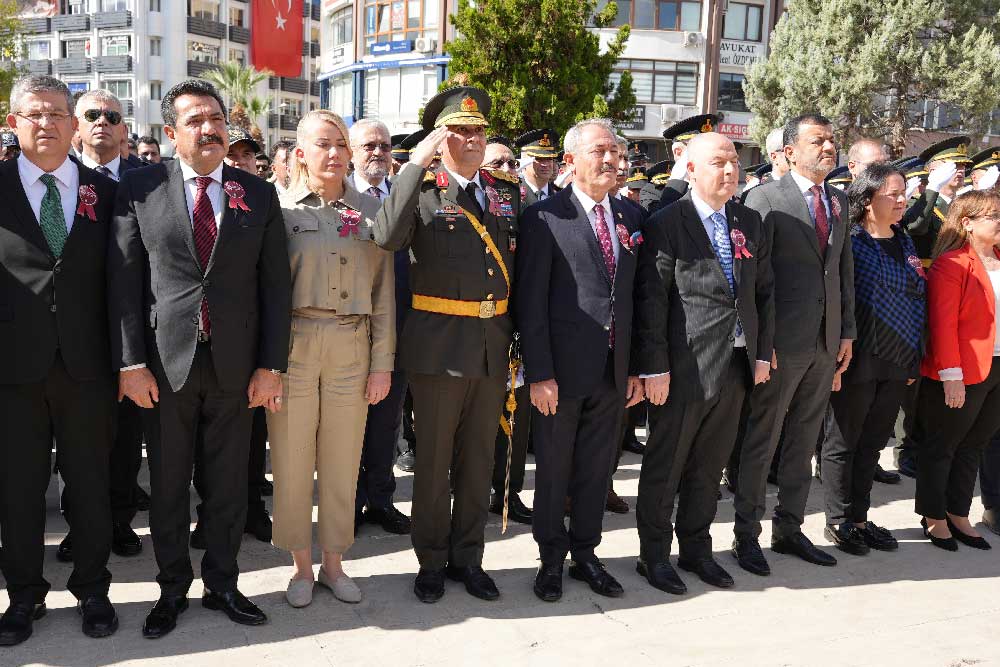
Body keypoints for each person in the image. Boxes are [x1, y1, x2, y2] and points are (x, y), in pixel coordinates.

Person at [108, 79, 291, 638]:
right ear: (170, 133)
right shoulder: (139, 188)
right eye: (195, 120)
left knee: (231, 482)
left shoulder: (255, 192)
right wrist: (129, 363)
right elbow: (124, 282)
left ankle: (223, 582)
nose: (209, 129)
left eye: (216, 119)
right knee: (166, 483)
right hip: (165, 367)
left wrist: (271, 365)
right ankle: (170, 589)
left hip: (238, 368)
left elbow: (275, 286)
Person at [373, 86, 521, 604]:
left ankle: (468, 558)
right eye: (460, 130)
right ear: (441, 136)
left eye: (480, 130)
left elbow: (514, 272)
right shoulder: (422, 190)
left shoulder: (505, 191)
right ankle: (431, 561)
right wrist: (413, 165)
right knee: (434, 463)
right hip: (438, 349)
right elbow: (387, 236)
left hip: (491, 346)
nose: (474, 139)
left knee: (480, 460)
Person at [0, 73, 120, 647]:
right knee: (18, 490)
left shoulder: (106, 191)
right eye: (34, 113)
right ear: (12, 122)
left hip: (87, 365)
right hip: (12, 370)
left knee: (91, 484)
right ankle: (23, 594)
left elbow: (122, 281)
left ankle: (93, 587)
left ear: (74, 126)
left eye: (56, 113)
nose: (45, 123)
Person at [516, 117, 653, 603]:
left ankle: (586, 553)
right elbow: (530, 303)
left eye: (615, 150)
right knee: (554, 466)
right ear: (570, 161)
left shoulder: (632, 218)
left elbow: (639, 300)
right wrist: (540, 373)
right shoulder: (544, 217)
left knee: (598, 468)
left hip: (614, 372)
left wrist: (637, 367)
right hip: (562, 371)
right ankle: (550, 556)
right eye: (600, 151)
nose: (611, 158)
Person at [637, 132, 774, 595]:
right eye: (718, 162)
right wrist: (654, 367)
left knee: (710, 465)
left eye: (734, 161)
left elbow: (762, 294)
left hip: (735, 365)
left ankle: (696, 548)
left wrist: (759, 352)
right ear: (690, 169)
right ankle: (653, 555)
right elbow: (653, 300)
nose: (730, 170)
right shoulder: (667, 222)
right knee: (667, 463)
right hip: (683, 366)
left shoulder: (748, 220)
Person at [268, 110, 395, 608]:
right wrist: (268, 364)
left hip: (352, 344)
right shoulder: (278, 211)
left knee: (343, 461)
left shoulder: (371, 212)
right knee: (292, 459)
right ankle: (301, 566)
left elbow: (384, 291)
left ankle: (335, 562)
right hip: (295, 346)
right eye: (324, 144)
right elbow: (267, 293)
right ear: (300, 153)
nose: (336, 153)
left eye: (342, 144)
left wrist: (382, 362)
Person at [732, 113, 855, 576]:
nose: (828, 147)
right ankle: (747, 534)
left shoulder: (839, 201)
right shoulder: (765, 198)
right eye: (817, 141)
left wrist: (846, 333)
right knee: (762, 440)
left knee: (805, 440)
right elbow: (753, 281)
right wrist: (763, 343)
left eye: (831, 140)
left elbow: (843, 274)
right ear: (788, 151)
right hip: (781, 345)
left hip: (825, 344)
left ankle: (790, 528)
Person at [57, 88, 144, 564]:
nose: (102, 123)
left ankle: (120, 520)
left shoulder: (146, 180)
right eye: (92, 115)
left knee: (128, 437)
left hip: (131, 330)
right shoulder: (59, 177)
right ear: (76, 124)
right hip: (75, 334)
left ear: (124, 129)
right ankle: (80, 526)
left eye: (112, 116)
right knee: (79, 445)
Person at [821, 164, 926, 556]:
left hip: (899, 355)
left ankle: (861, 517)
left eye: (904, 193)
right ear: (867, 201)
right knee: (843, 440)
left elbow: (916, 295)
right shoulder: (850, 241)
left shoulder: (904, 240)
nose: (902, 201)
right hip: (858, 354)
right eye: (893, 194)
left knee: (872, 444)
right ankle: (838, 519)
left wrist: (915, 355)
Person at [190, 125, 274, 550]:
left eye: (246, 154)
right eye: (234, 153)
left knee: (251, 440)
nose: (239, 160)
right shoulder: (207, 192)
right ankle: (211, 516)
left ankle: (252, 510)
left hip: (247, 344)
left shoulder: (259, 196)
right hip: (200, 345)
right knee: (210, 449)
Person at [914, 190, 1000, 552]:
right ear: (967, 223)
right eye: (994, 215)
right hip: (963, 369)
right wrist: (952, 375)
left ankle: (958, 512)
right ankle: (934, 517)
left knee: (975, 444)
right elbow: (943, 324)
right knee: (944, 445)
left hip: (997, 365)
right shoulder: (953, 263)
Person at [348, 118, 411, 535]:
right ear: (352, 151)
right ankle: (348, 503)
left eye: (384, 146)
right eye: (368, 145)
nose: (378, 152)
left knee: (386, 423)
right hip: (348, 331)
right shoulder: (338, 196)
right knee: (347, 424)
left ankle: (381, 498)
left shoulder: (408, 198)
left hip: (400, 329)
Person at [648, 114, 720, 214]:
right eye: (700, 149)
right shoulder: (651, 191)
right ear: (678, 152)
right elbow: (660, 222)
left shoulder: (716, 184)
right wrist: (677, 181)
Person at [516, 129, 561, 205]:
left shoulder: (561, 196)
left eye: (549, 159)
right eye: (538, 159)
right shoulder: (514, 193)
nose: (545, 164)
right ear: (524, 161)